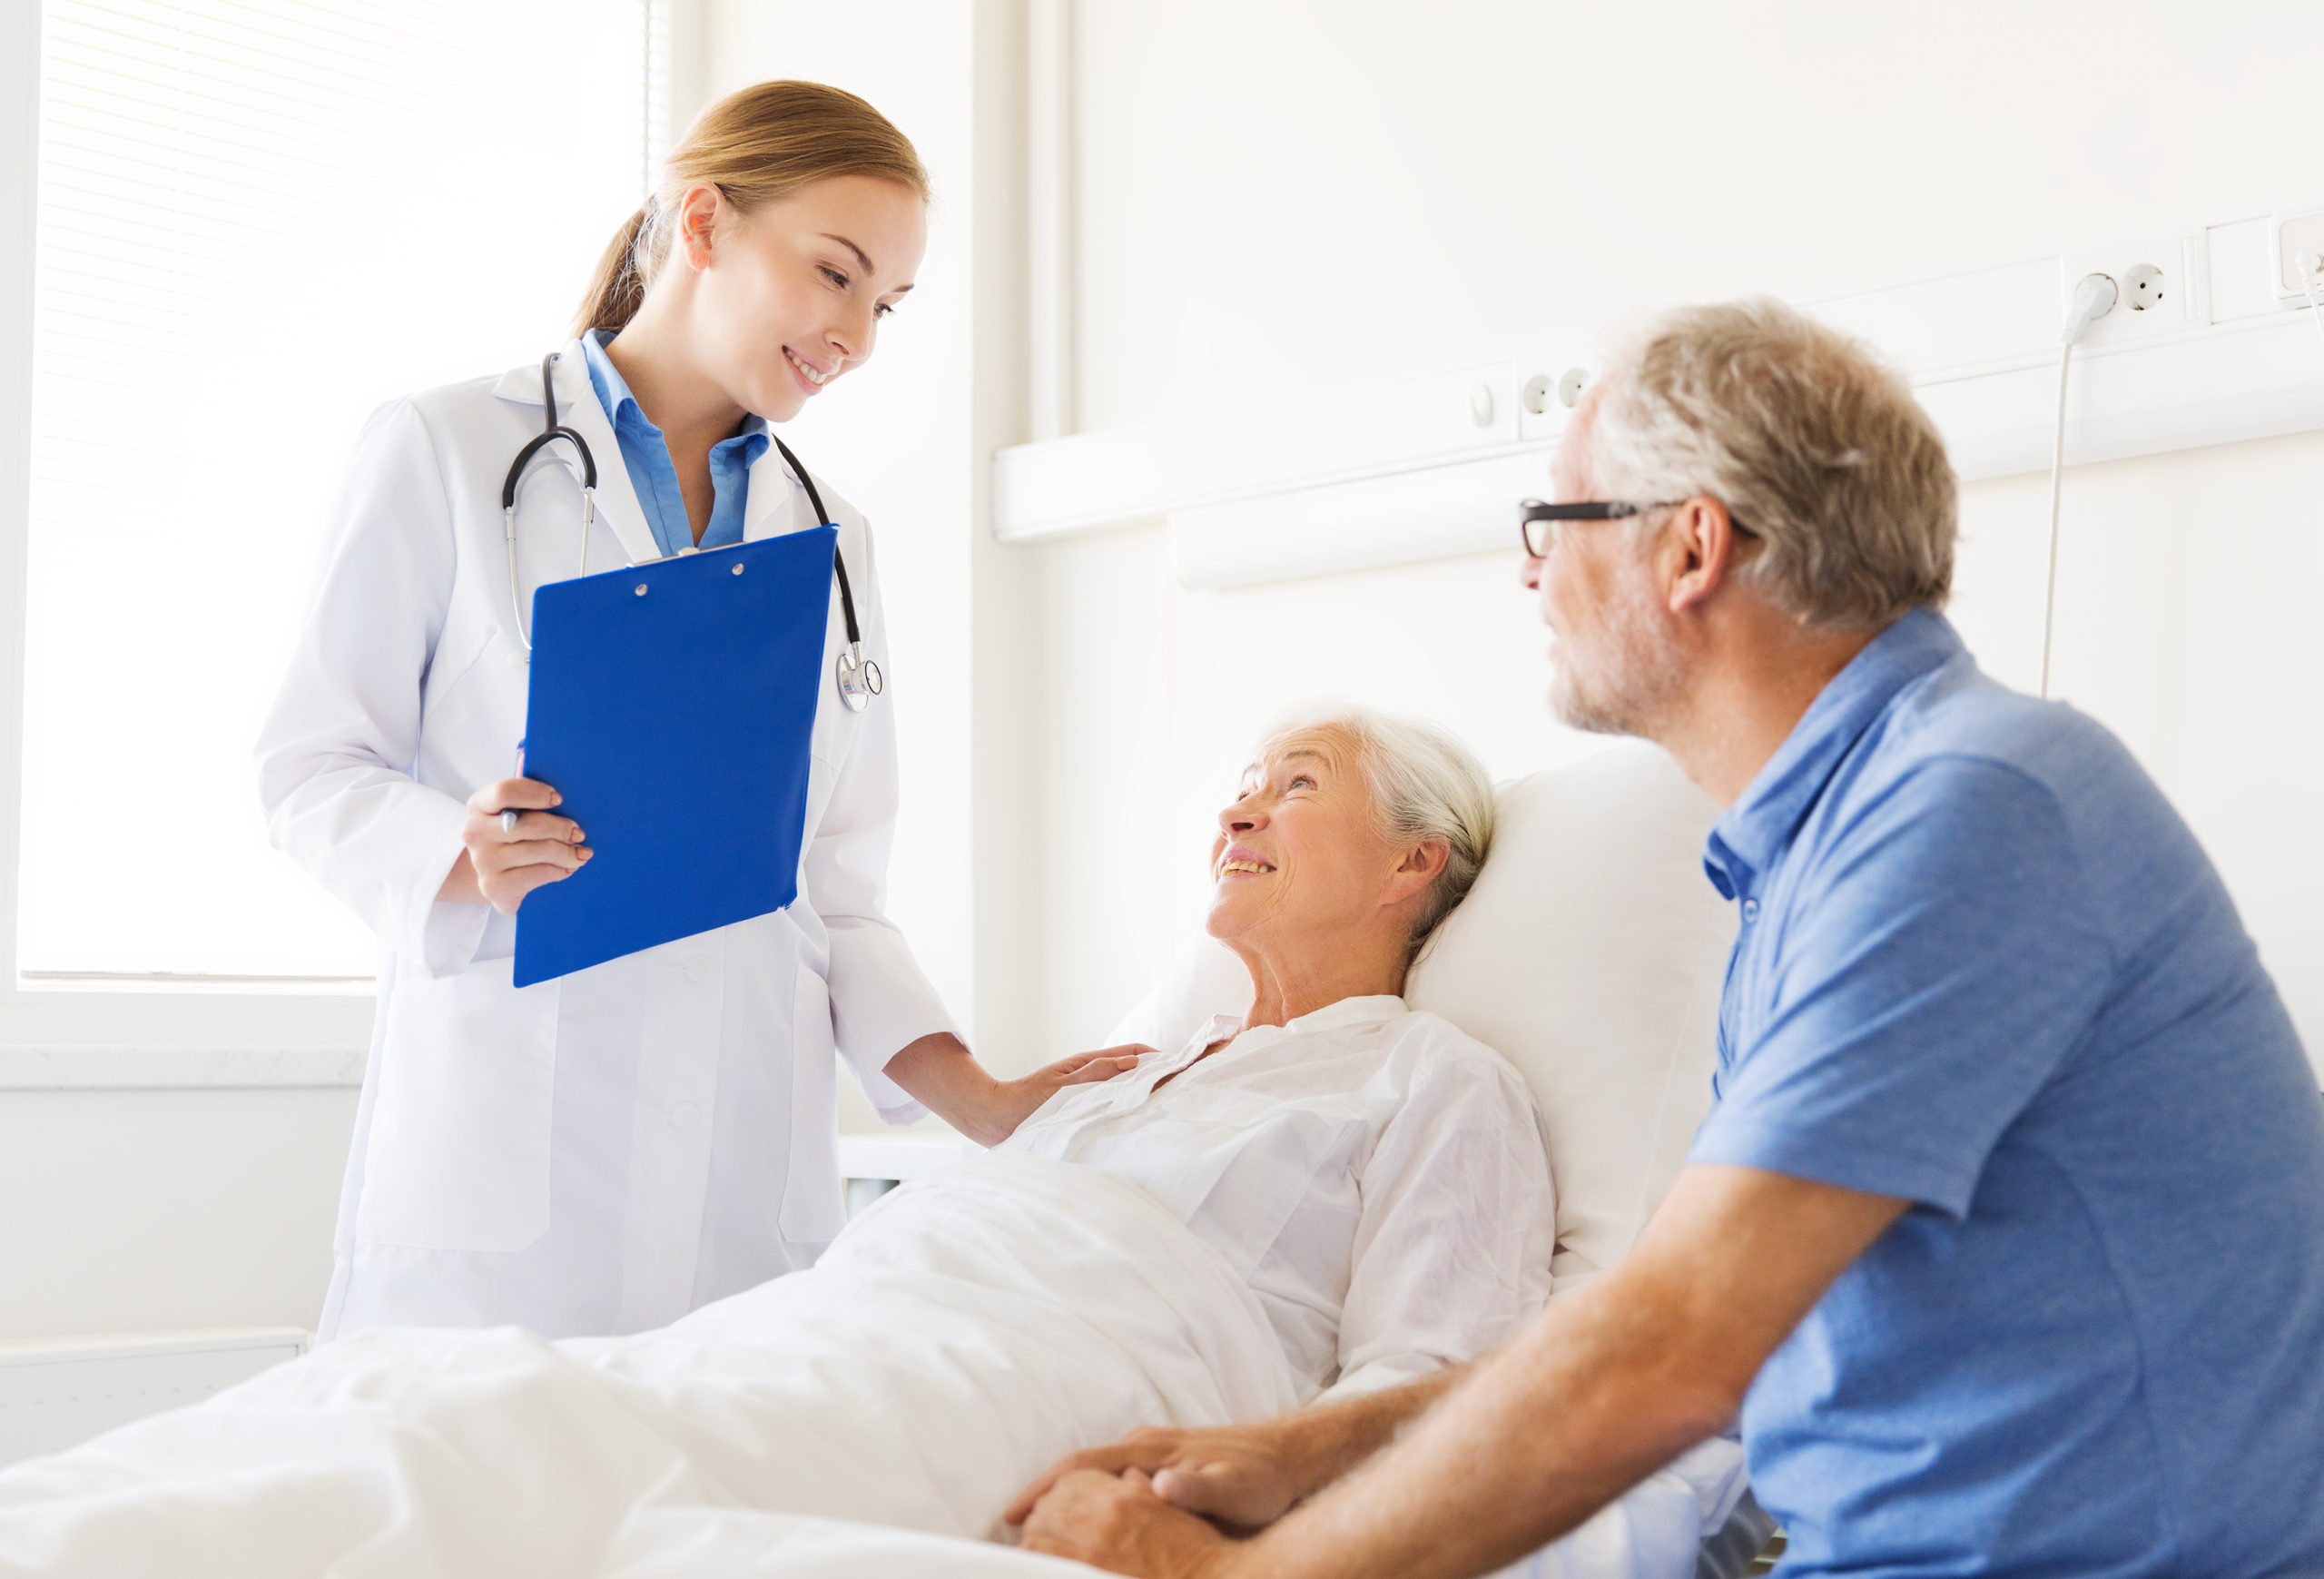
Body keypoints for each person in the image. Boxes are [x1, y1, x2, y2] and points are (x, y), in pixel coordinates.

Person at [1013, 299, 2324, 1579]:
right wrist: (1313, 1451)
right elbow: (1719, 1330)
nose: (1531, 566)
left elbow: (1677, 1347)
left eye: (1557, 519)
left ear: (1692, 551)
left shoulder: (1971, 809)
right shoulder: (1814, 860)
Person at [0, 712, 1582, 1579]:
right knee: (453, 1400)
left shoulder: (1435, 1081)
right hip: (870, 1303)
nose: (1236, 809)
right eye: (1234, 781)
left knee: (525, 1465)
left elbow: (1433, 1385)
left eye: (1291, 788)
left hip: (1074, 1371)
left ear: (1411, 866)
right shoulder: (1129, 1076)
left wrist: (1242, 1499)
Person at [254, 81, 1140, 1343]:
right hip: (505, 1183)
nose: (857, 336)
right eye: (835, 273)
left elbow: (835, 885)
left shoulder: (832, 539)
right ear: (706, 223)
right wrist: (458, 847)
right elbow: (309, 767)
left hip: (740, 1195)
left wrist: (985, 1102)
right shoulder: (446, 449)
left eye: (883, 304)